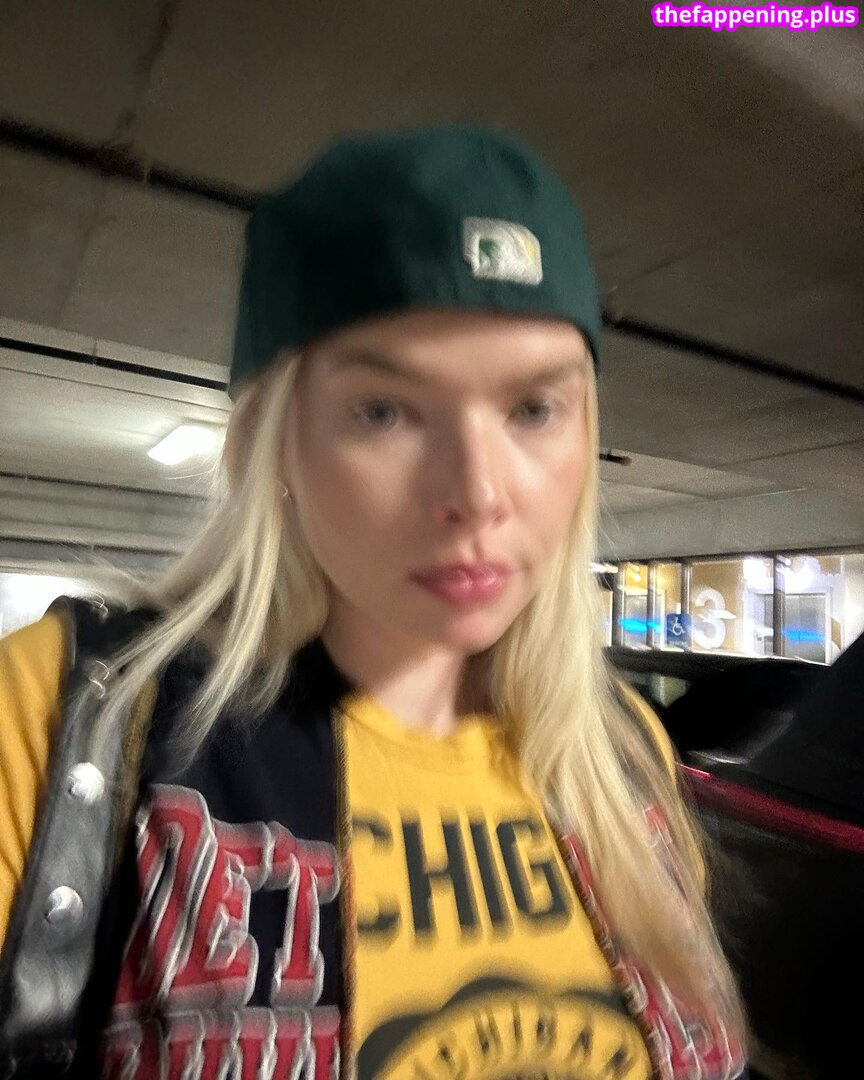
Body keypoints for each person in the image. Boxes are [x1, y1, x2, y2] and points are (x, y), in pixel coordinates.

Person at [0, 125, 748, 1080]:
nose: (478, 492)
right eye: (384, 411)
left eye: (533, 409)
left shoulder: (622, 748)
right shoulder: (73, 720)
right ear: (273, 440)